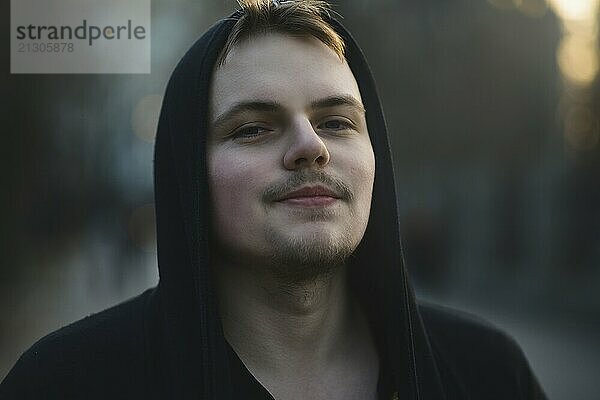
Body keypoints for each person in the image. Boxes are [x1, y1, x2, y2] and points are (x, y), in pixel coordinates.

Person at [0, 0, 547, 399]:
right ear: (187, 172)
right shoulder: (64, 382)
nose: (311, 147)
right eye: (254, 128)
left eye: (337, 121)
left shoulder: (489, 374)